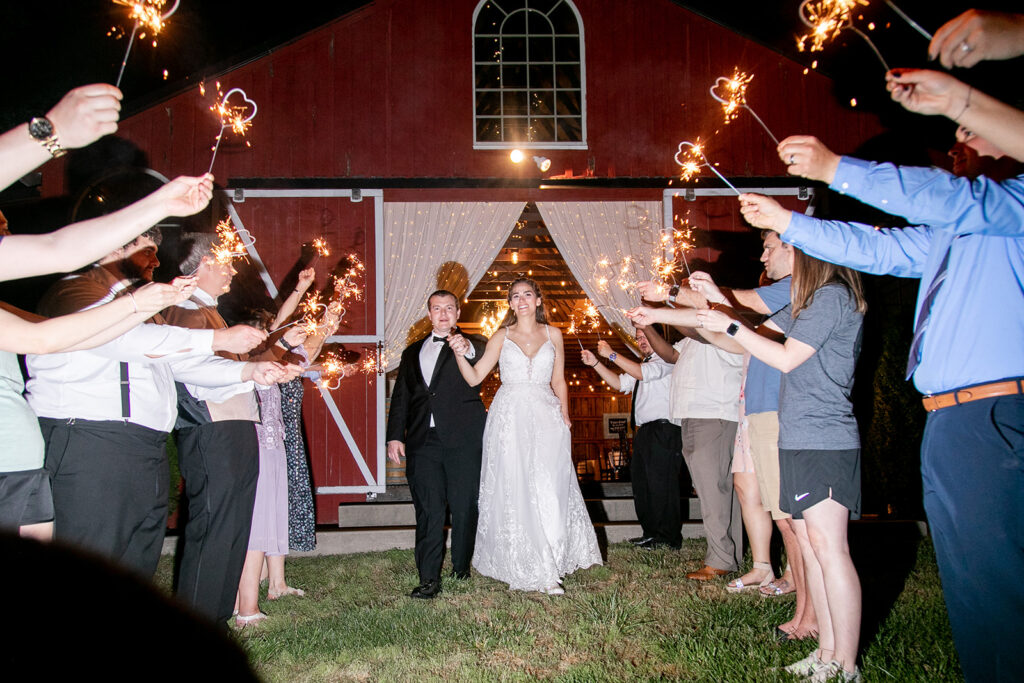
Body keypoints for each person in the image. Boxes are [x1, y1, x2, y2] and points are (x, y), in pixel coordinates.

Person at [759, 130, 1024, 682]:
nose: (958, 141)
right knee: (973, 587)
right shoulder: (948, 238)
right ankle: (836, 653)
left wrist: (835, 168)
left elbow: (943, 197)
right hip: (948, 417)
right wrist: (791, 224)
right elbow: (876, 246)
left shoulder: (1004, 206)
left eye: (972, 130)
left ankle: (843, 660)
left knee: (1000, 583)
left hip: (997, 412)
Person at [26, 229, 284, 576]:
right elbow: (122, 340)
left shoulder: (144, 307)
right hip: (91, 442)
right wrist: (217, 338)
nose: (157, 261)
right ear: (112, 247)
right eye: (147, 250)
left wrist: (249, 372)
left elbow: (178, 364)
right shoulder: (76, 290)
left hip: (143, 446)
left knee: (137, 558)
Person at [696, 247, 867, 683]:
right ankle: (826, 652)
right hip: (799, 437)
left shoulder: (832, 297)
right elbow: (748, 334)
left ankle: (845, 664)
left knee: (831, 551)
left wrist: (729, 318)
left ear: (805, 253)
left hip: (824, 440)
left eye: (776, 245)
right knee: (814, 548)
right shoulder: (808, 304)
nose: (765, 253)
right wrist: (714, 305)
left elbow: (786, 357)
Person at [164, 233, 301, 625]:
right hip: (212, 430)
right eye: (225, 261)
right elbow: (188, 370)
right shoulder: (187, 311)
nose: (232, 270)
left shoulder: (212, 314)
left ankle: (222, 613)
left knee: (235, 528)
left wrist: (271, 360)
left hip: (238, 427)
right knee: (215, 529)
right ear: (205, 263)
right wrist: (251, 371)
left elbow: (241, 366)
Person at [449, 278, 601, 594]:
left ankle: (551, 556)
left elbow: (559, 381)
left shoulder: (554, 334)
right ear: (510, 303)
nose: (521, 300)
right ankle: (534, 567)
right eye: (515, 296)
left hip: (546, 415)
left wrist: (566, 416)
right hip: (509, 417)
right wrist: (460, 355)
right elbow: (476, 377)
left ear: (538, 299)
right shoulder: (501, 336)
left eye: (527, 294)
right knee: (516, 486)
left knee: (549, 486)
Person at [385, 290, 487, 599]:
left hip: (463, 440)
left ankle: (460, 568)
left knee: (464, 506)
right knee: (428, 510)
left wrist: (464, 346)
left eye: (449, 308)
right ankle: (428, 578)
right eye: (436, 308)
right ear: (429, 314)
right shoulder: (411, 352)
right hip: (422, 441)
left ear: (458, 312)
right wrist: (394, 435)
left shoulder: (476, 343)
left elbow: (476, 356)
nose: (443, 314)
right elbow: (402, 396)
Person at [638, 306, 744, 581]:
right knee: (715, 490)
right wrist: (648, 324)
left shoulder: (717, 324)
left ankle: (721, 559)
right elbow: (670, 354)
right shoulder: (691, 339)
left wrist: (659, 313)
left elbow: (695, 328)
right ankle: (729, 555)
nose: (677, 305)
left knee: (714, 491)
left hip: (714, 413)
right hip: (696, 415)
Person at [581, 327, 682, 550]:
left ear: (658, 337)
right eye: (638, 338)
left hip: (664, 429)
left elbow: (641, 374)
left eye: (645, 336)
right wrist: (596, 364)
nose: (641, 341)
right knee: (643, 484)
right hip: (645, 431)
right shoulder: (644, 363)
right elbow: (619, 384)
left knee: (661, 484)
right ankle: (651, 533)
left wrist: (612, 355)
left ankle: (668, 537)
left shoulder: (667, 359)